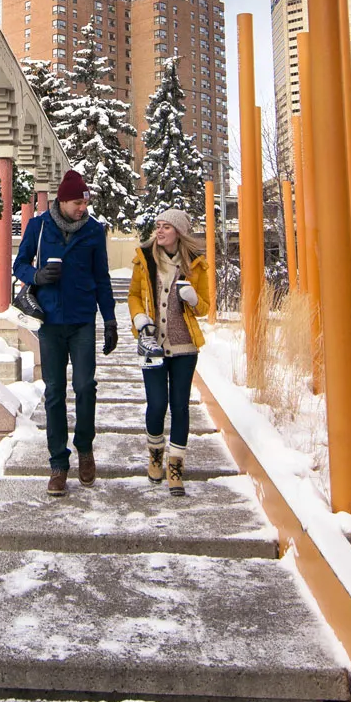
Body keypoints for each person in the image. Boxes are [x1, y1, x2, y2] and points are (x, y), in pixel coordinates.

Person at [13, 168, 117, 496]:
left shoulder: (94, 232)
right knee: (55, 392)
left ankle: (84, 449)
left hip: (83, 321)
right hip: (50, 323)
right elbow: (19, 265)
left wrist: (110, 320)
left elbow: (102, 278)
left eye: (84, 201)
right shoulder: (39, 226)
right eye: (76, 202)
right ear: (62, 200)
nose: (82, 207)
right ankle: (58, 463)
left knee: (86, 386)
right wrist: (38, 276)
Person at [127, 208, 213, 497]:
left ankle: (175, 467)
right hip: (152, 345)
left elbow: (205, 308)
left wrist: (193, 298)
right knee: (156, 404)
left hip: (185, 347)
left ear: (179, 232)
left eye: (166, 227)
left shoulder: (196, 266)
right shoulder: (145, 260)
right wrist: (139, 318)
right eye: (158, 226)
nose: (159, 231)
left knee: (180, 406)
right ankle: (155, 454)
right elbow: (134, 296)